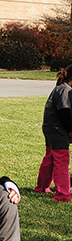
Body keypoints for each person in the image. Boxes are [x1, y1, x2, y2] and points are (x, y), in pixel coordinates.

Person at [34, 65, 72, 202]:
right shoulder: (65, 91)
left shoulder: (61, 89)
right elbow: (65, 113)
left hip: (50, 128)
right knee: (62, 160)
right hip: (57, 130)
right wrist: (70, 132)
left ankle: (42, 186)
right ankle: (63, 194)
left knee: (50, 158)